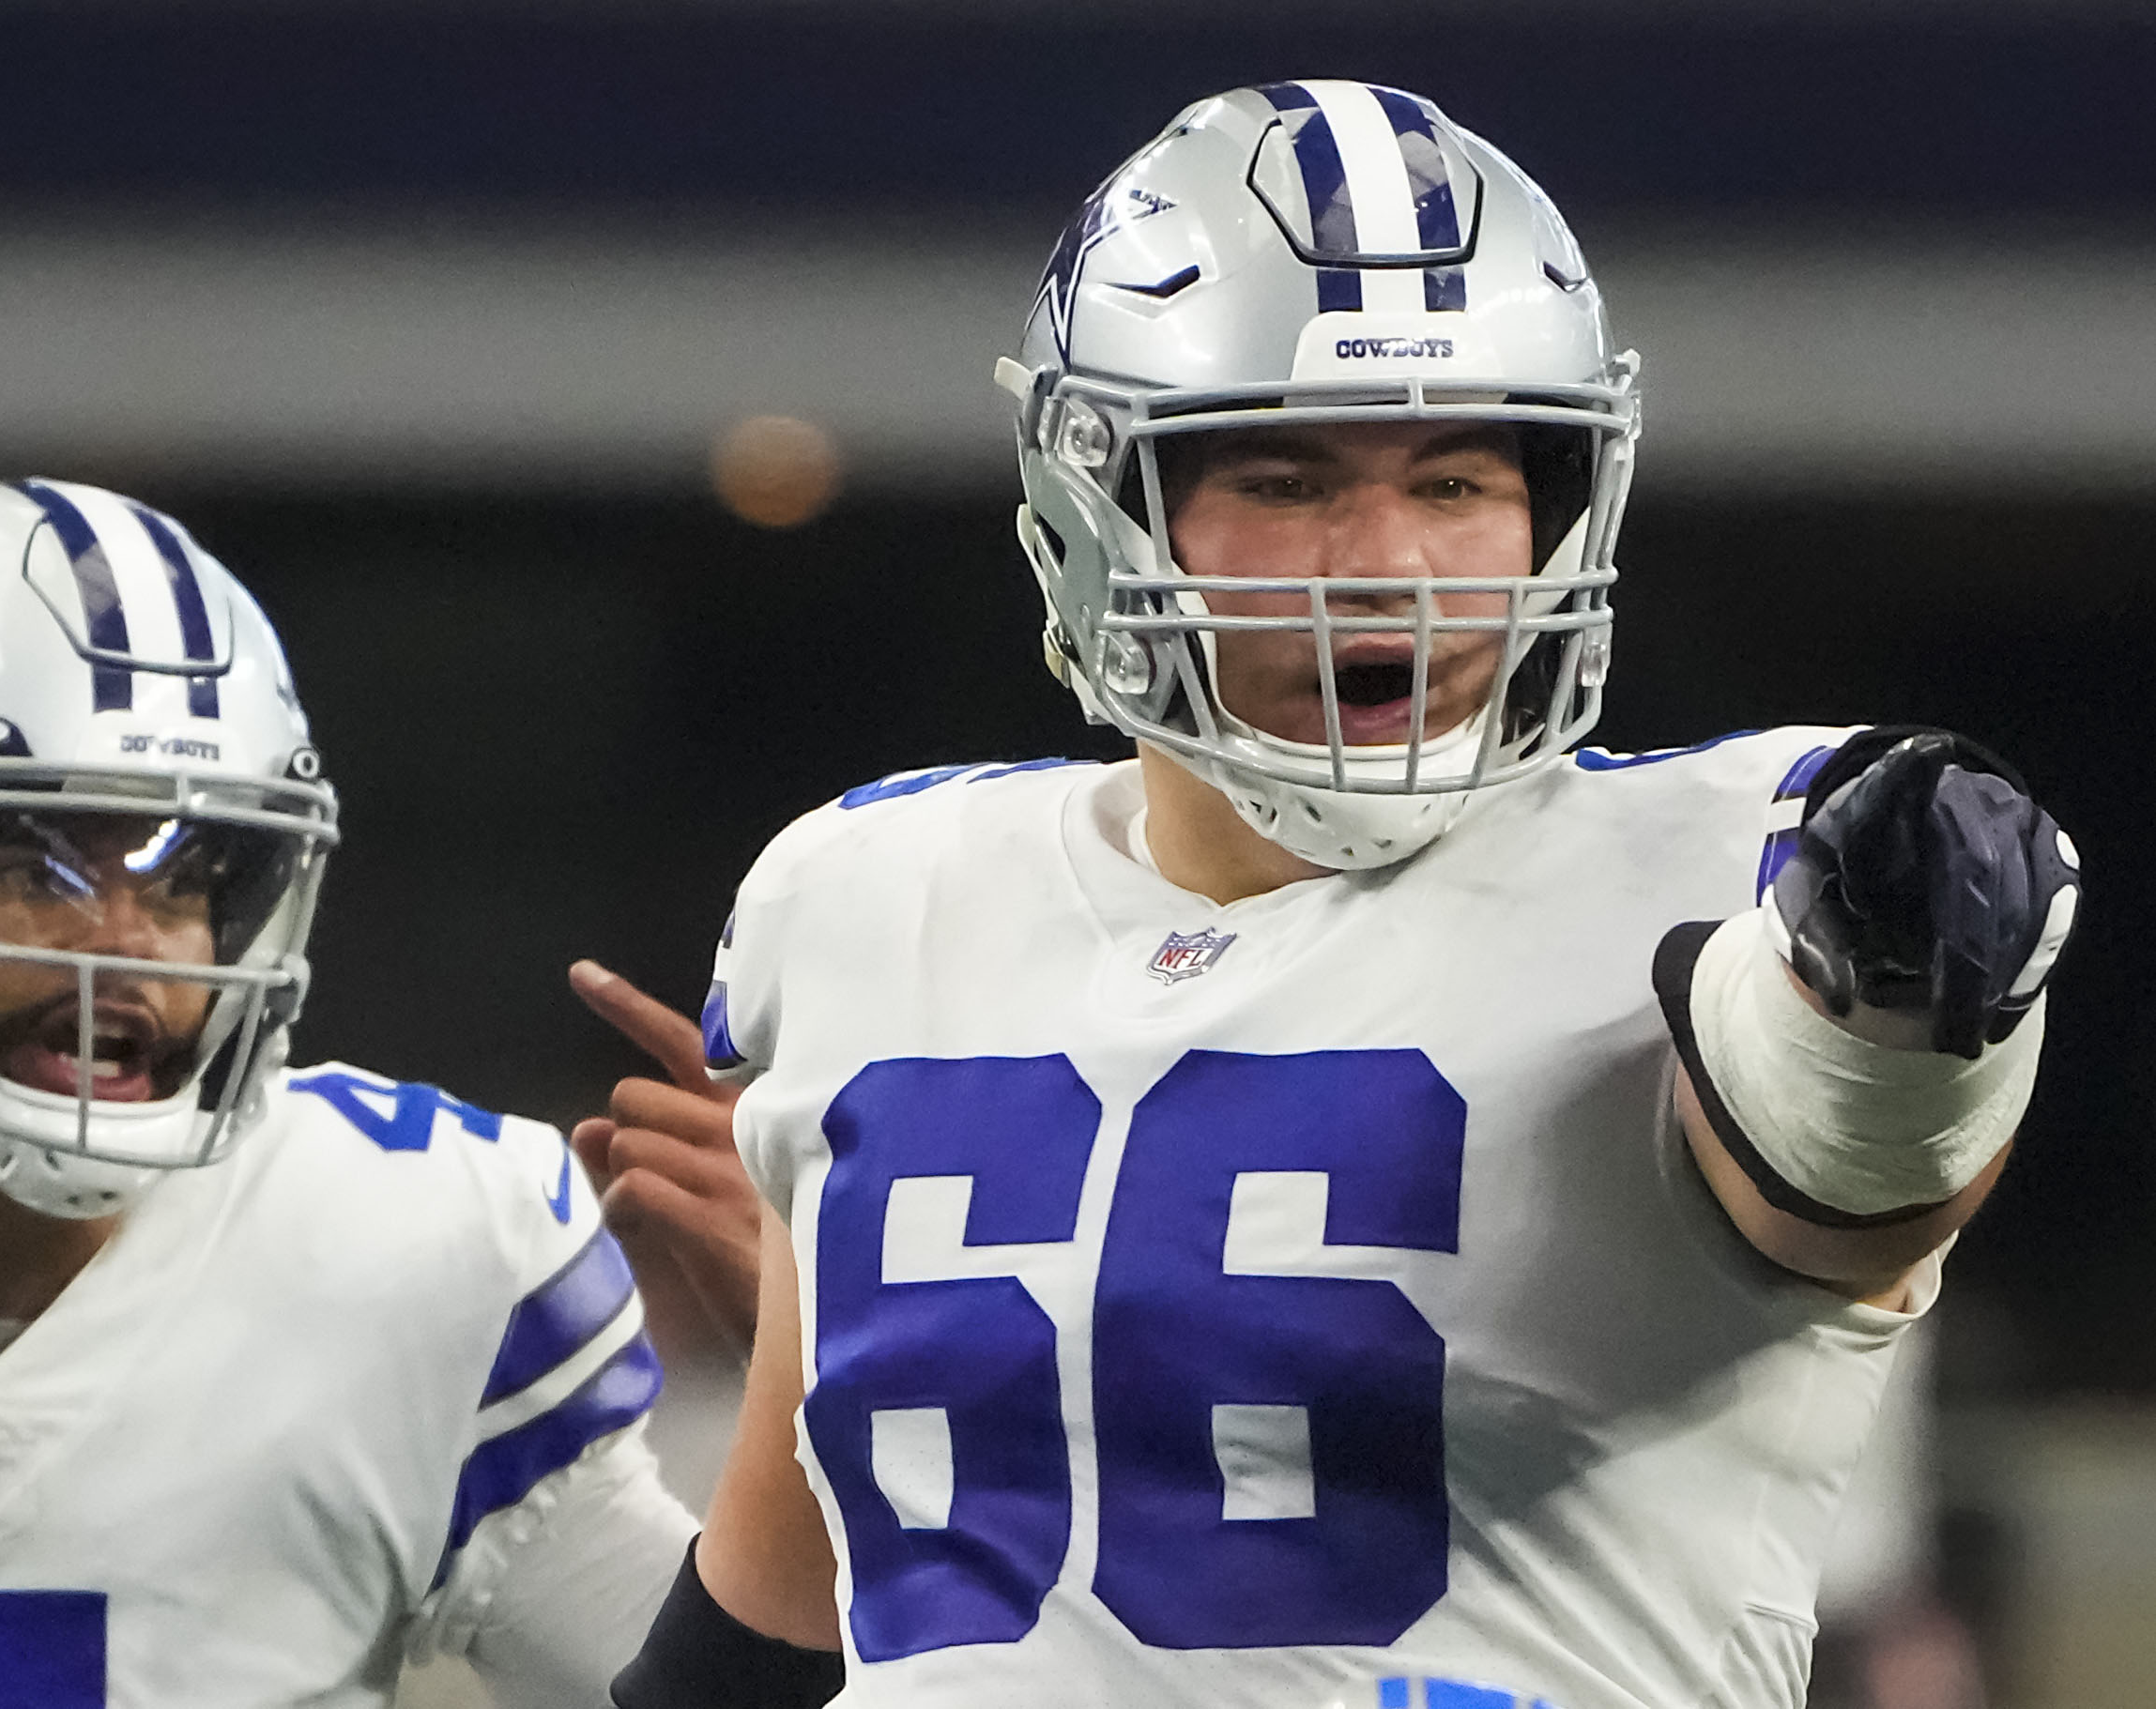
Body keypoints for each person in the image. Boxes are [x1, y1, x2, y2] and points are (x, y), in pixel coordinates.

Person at [584, 81, 2080, 1709]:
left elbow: (1847, 1156)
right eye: (1287, 481)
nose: (1385, 559)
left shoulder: (1740, 867)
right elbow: (772, 1613)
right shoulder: (871, 893)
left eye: (1453, 483)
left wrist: (1911, 968)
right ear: (1101, 507)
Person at [0, 479, 693, 1707]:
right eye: (29, 858)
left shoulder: (414, 1246)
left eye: (188, 875)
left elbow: (727, 1696)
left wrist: (840, 1377)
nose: (129, 947)